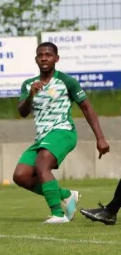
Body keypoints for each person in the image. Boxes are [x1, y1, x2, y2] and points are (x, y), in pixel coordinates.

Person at [12, 41, 110, 224]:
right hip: (41, 138)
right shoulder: (28, 85)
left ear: (56, 58)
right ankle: (66, 195)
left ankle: (58, 214)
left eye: (48, 55)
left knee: (42, 165)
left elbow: (87, 108)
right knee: (21, 176)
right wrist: (31, 95)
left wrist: (100, 138)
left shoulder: (67, 81)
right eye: (40, 55)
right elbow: (22, 112)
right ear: (36, 59)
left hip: (63, 132)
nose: (44, 58)